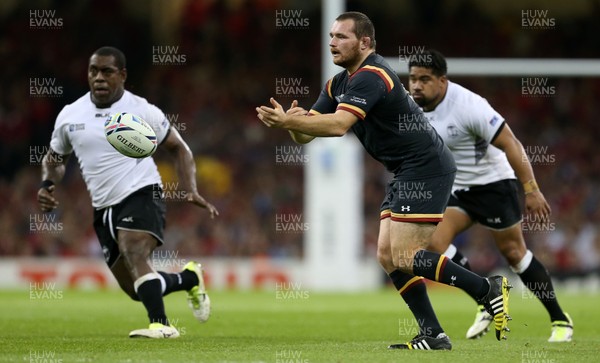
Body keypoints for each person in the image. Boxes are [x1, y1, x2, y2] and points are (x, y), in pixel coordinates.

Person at [256, 12, 511, 350]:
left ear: (365, 42)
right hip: (406, 169)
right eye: (331, 36)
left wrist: (293, 121)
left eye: (342, 37)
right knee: (388, 256)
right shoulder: (337, 84)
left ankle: (487, 289)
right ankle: (433, 334)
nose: (332, 42)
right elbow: (306, 137)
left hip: (425, 167)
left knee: (406, 255)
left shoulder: (372, 76)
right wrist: (292, 122)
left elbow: (337, 126)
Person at [37, 46, 219, 339]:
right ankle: (189, 278)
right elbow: (54, 159)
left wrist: (191, 189)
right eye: (93, 71)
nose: (98, 78)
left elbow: (179, 148)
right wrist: (47, 184)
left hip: (142, 192)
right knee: (136, 288)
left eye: (107, 71)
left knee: (134, 249)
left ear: (122, 75)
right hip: (103, 208)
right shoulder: (70, 115)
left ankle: (161, 325)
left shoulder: (142, 110)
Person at [407, 49, 573, 342]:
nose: (416, 85)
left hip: (494, 185)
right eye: (412, 79)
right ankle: (486, 298)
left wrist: (531, 189)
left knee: (514, 254)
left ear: (442, 81)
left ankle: (560, 319)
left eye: (424, 79)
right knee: (431, 244)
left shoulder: (469, 105)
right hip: (456, 188)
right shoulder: (410, 107)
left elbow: (511, 143)